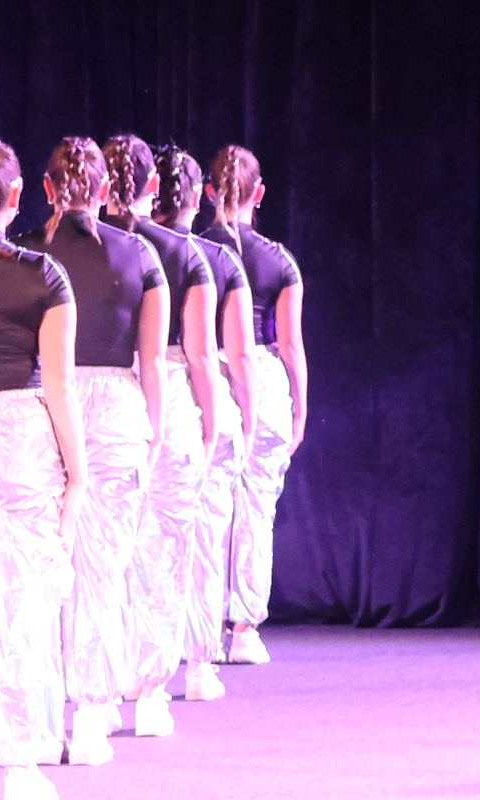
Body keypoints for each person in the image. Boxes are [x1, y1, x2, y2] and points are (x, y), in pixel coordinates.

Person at [13, 136, 168, 763]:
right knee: (102, 570)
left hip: (45, 408)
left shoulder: (27, 254)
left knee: (44, 569)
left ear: (48, 190)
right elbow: (152, 361)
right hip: (116, 415)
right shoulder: (141, 255)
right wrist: (155, 434)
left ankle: (43, 718)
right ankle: (90, 717)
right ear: (105, 192)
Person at [0, 136, 85, 800]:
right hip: (20, 439)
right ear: (18, 196)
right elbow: (59, 384)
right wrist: (78, 474)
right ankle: (22, 768)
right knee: (22, 606)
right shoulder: (44, 275)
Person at [100, 135, 215, 735]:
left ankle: (102, 686)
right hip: (164, 392)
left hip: (102, 398)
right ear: (153, 187)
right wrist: (213, 426)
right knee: (164, 550)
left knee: (106, 551)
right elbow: (200, 355)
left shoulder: (84, 248)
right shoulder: (183, 253)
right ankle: (150, 693)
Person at [156, 145, 259, 698]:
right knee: (203, 535)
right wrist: (247, 418)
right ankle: (198, 665)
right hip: (198, 396)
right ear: (198, 197)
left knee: (144, 541)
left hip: (139, 392)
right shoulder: (217, 259)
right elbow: (237, 354)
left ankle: (135, 669)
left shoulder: (125, 246)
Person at [201, 145, 303, 664]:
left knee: (208, 507)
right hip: (262, 375)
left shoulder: (194, 252)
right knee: (257, 507)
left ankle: (200, 630)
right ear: (259, 193)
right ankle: (243, 629)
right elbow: (290, 345)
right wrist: (300, 408)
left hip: (209, 374)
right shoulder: (279, 260)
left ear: (209, 192)